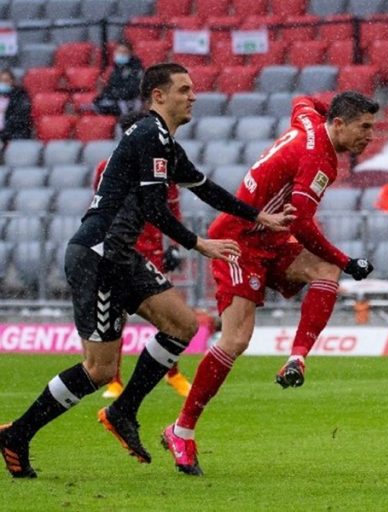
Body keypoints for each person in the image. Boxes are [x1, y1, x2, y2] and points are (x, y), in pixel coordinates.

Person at [0, 62, 295, 479]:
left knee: (182, 324)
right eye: (184, 89)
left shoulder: (165, 144)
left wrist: (257, 216)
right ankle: (18, 434)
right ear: (158, 96)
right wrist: (200, 244)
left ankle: (123, 410)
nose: (193, 96)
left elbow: (206, 188)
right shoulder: (149, 136)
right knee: (99, 368)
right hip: (99, 255)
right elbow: (156, 209)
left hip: (120, 255)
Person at [161, 91, 378, 477]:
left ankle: (297, 357)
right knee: (236, 340)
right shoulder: (318, 160)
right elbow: (303, 226)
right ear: (340, 125)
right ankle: (181, 430)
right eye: (364, 127)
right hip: (240, 239)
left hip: (270, 237)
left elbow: (303, 98)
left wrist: (335, 110)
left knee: (325, 271)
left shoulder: (309, 122)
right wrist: (347, 260)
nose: (370, 136)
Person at [91, 110, 192, 399]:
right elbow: (100, 208)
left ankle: (172, 374)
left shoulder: (163, 166)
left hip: (152, 251)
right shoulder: (106, 167)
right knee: (117, 316)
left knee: (169, 318)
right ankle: (115, 380)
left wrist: (174, 245)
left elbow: (173, 209)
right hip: (120, 250)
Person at [94, 42, 145, 116]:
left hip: (128, 102)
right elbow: (111, 86)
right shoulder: (117, 68)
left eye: (124, 52)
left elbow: (132, 89)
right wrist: (103, 95)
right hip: (115, 100)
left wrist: (114, 95)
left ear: (130, 53)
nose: (121, 54)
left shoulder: (136, 69)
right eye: (119, 52)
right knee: (94, 104)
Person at [0, 68, 33, 143]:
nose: (2, 83)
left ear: (12, 82)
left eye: (6, 81)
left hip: (13, 135)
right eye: (0, 81)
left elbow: (19, 120)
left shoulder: (20, 97)